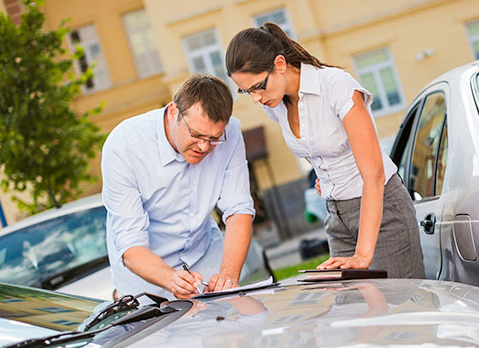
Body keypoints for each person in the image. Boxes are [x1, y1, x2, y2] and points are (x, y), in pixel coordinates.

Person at [225, 23, 423, 278]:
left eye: (258, 86)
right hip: (337, 217)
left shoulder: (336, 86)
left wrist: (363, 255)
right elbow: (322, 149)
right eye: (246, 91)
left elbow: (373, 174)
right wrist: (328, 178)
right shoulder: (275, 104)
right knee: (353, 313)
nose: (255, 98)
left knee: (399, 310)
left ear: (280, 64)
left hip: (383, 213)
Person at [101, 74, 255, 299]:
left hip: (205, 258)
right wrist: (171, 279)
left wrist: (228, 275)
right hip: (147, 278)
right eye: (196, 135)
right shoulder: (124, 146)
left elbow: (239, 209)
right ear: (173, 111)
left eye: (213, 139)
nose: (204, 147)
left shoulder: (230, 132)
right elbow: (131, 245)